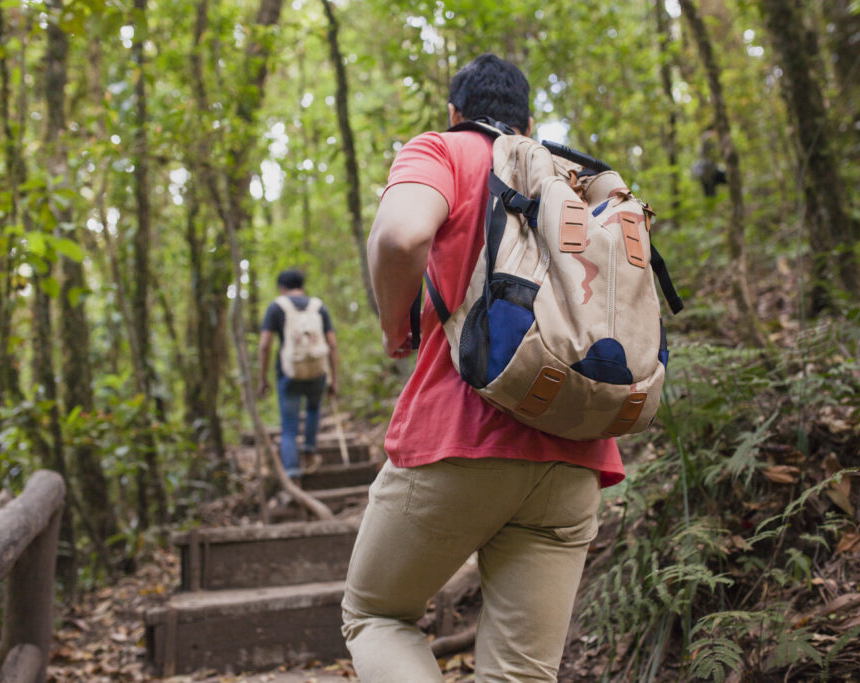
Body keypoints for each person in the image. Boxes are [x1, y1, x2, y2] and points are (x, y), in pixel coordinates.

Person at [341, 54, 626, 682]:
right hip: (574, 454)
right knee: (521, 674)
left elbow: (399, 237)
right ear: (527, 119)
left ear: (454, 113)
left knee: (375, 616)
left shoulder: (442, 150)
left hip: (460, 435)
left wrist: (398, 323)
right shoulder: (575, 172)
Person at [257, 268, 338, 478]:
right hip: (318, 372)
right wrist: (334, 379)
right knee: (313, 410)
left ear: (282, 287)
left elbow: (265, 345)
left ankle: (292, 472)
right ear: (302, 286)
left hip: (288, 373)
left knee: (289, 426)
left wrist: (262, 378)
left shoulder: (276, 307)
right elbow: (332, 344)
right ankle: (309, 451)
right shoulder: (319, 307)